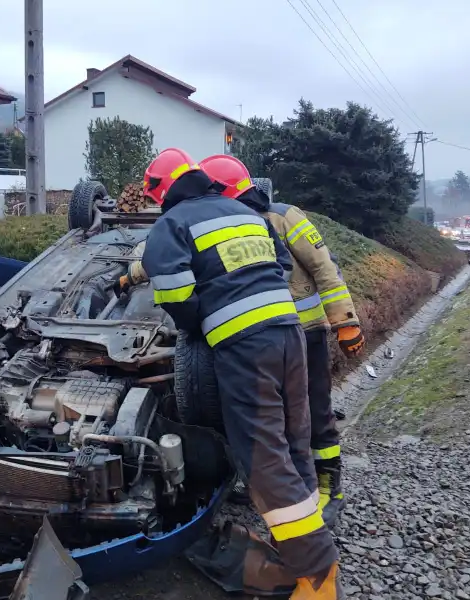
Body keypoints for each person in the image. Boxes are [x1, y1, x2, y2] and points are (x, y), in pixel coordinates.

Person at [139, 148, 342, 599]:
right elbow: (281, 266)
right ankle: (299, 542)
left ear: (161, 189)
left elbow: (175, 295)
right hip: (289, 334)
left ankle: (318, 574)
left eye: (153, 193)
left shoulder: (170, 225)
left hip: (245, 348)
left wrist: (202, 322)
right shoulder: (242, 211)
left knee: (264, 458)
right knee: (293, 444)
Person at [199, 154, 364, 529]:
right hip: (257, 338)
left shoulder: (284, 217)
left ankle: (329, 488)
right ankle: (278, 488)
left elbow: (325, 269)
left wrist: (345, 322)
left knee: (316, 411)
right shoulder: (222, 224)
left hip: (307, 333)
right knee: (267, 417)